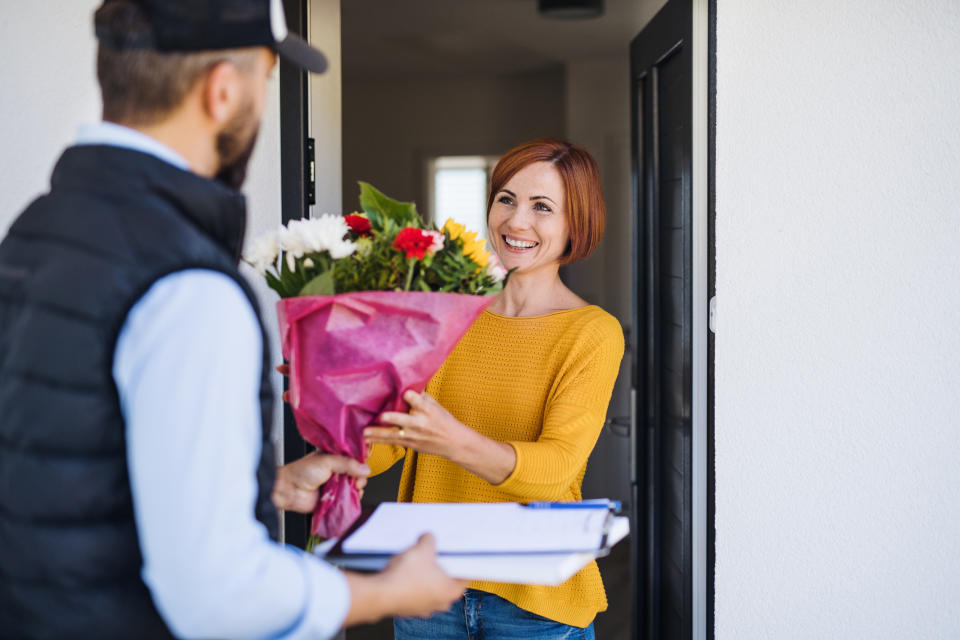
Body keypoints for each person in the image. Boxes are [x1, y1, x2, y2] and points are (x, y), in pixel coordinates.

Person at [0, 1, 463, 638]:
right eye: (266, 80)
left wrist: (262, 488)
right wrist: (387, 592)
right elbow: (218, 594)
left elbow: (66, 463)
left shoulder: (35, 232)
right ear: (222, 90)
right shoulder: (187, 285)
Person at [364, 137, 625, 639]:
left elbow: (554, 471)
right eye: (506, 199)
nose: (516, 221)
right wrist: (337, 414)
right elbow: (393, 442)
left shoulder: (591, 332)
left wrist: (451, 440)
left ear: (577, 225)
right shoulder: (449, 313)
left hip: (534, 602)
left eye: (542, 207)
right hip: (428, 589)